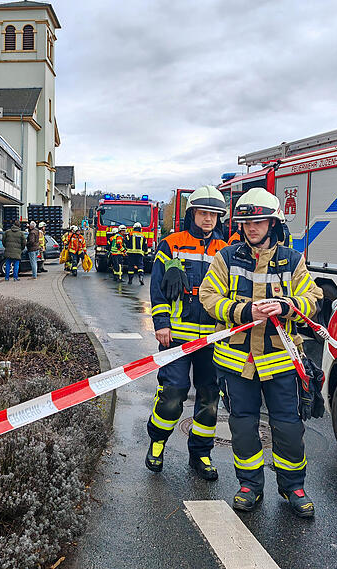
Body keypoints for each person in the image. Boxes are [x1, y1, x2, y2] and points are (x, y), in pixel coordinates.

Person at [198, 187, 323, 517]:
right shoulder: (226, 257)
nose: (252, 228)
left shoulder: (292, 260)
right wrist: (243, 312)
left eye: (259, 222)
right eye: (246, 222)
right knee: (242, 426)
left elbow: (313, 297)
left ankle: (293, 486)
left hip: (281, 360)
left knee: (288, 426)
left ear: (273, 223)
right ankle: (250, 485)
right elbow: (208, 297)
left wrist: (287, 305)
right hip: (237, 363)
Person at [145, 186, 229, 480]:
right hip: (177, 336)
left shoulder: (228, 249)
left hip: (214, 339)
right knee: (173, 393)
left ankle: (201, 454)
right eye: (203, 213)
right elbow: (157, 290)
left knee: (209, 398)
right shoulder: (170, 244)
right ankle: (157, 442)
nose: (208, 219)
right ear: (192, 213)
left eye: (214, 215)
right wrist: (161, 324)